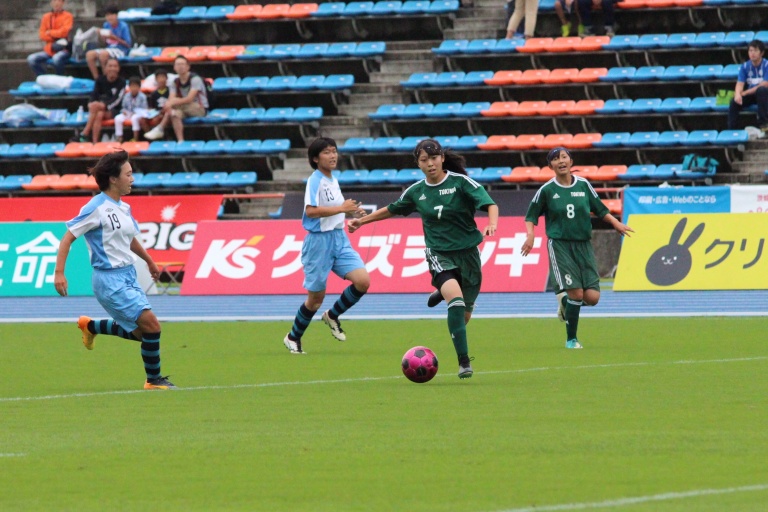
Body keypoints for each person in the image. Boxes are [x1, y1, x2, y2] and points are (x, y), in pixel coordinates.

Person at [348, 139, 499, 379]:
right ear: (417, 164)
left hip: (469, 254)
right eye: (424, 160)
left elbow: (490, 204)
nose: (430, 164)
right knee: (457, 303)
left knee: (465, 314)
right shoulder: (417, 191)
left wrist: (491, 224)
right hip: (438, 253)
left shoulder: (461, 183)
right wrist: (361, 221)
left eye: (434, 158)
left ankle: (444, 289)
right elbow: (391, 209)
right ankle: (463, 361)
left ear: (442, 158)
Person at [53, 150, 176, 390]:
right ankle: (153, 380)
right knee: (152, 326)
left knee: (145, 335)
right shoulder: (95, 207)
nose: (132, 179)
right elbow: (68, 238)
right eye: (128, 174)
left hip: (128, 275)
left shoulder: (124, 208)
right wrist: (59, 272)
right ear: (113, 178)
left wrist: (149, 261)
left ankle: (91, 326)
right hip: (108, 280)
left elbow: (130, 239)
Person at [521, 147, 633, 349]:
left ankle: (566, 306)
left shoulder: (583, 185)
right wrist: (531, 235)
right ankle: (571, 339)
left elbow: (599, 208)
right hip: (560, 245)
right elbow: (531, 216)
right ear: (550, 166)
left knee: (593, 298)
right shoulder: (547, 190)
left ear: (571, 161)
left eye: (564, 157)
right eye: (555, 159)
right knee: (577, 294)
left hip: (584, 244)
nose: (561, 161)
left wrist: (615, 223)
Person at [282, 137, 370, 355]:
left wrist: (352, 211)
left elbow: (336, 208)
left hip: (339, 239)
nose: (333, 156)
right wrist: (341, 209)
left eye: (334, 151)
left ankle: (332, 315)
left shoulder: (332, 179)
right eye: (327, 152)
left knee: (362, 281)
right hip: (319, 242)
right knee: (315, 299)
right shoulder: (315, 180)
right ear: (315, 158)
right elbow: (311, 211)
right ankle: (293, 337)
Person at [144, 56, 208, 142]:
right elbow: (171, 99)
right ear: (174, 67)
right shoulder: (175, 82)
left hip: (199, 108)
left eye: (182, 64)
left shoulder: (195, 79)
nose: (180, 66)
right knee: (174, 114)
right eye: (178, 64)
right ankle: (180, 141)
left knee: (173, 107)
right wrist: (169, 104)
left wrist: (173, 102)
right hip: (183, 108)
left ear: (188, 66)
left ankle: (160, 128)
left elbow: (189, 98)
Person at [74, 57, 125, 143]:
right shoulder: (100, 80)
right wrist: (90, 103)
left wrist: (105, 106)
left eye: (115, 66)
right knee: (99, 114)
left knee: (98, 109)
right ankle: (94, 141)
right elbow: (94, 94)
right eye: (110, 66)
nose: (112, 68)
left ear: (118, 68)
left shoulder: (121, 82)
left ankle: (85, 133)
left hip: (115, 109)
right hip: (99, 108)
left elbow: (117, 100)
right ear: (105, 68)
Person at [728, 39, 768, 131]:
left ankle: (764, 125)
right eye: (750, 51)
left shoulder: (766, 65)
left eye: (755, 50)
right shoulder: (745, 66)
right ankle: (732, 130)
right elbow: (739, 83)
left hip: (764, 95)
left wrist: (745, 92)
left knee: (762, 90)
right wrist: (738, 94)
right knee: (734, 101)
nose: (752, 53)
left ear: (761, 53)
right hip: (751, 95)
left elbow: (765, 84)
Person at [27, 0, 73, 77]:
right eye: (54, 1)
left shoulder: (68, 16)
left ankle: (60, 79)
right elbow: (42, 35)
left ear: (63, 3)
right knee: (31, 59)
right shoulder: (46, 17)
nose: (56, 3)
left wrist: (50, 32)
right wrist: (56, 34)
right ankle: (45, 78)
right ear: (51, 3)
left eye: (59, 1)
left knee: (56, 59)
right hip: (49, 49)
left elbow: (64, 32)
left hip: (63, 49)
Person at [84, 5, 132, 80]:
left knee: (103, 54)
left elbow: (128, 44)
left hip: (121, 49)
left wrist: (114, 37)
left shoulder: (123, 26)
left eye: (112, 15)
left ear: (116, 15)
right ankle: (97, 79)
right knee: (89, 54)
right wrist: (102, 37)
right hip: (109, 48)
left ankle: (106, 78)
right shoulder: (106, 25)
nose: (109, 17)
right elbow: (106, 43)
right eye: (107, 15)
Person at [114, 76, 148, 143]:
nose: (134, 88)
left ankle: (135, 138)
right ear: (129, 87)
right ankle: (119, 137)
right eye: (132, 86)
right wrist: (124, 111)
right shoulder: (126, 96)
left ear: (139, 87)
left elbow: (144, 108)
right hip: (128, 113)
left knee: (134, 118)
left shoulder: (142, 96)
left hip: (138, 114)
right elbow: (123, 107)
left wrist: (137, 113)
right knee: (117, 118)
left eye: (136, 86)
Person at [139, 69, 170, 135]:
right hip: (156, 113)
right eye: (159, 78)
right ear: (156, 79)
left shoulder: (170, 91)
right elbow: (151, 107)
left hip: (166, 113)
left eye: (163, 77)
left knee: (157, 119)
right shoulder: (153, 94)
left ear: (166, 78)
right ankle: (149, 136)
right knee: (142, 119)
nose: (161, 80)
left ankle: (163, 137)